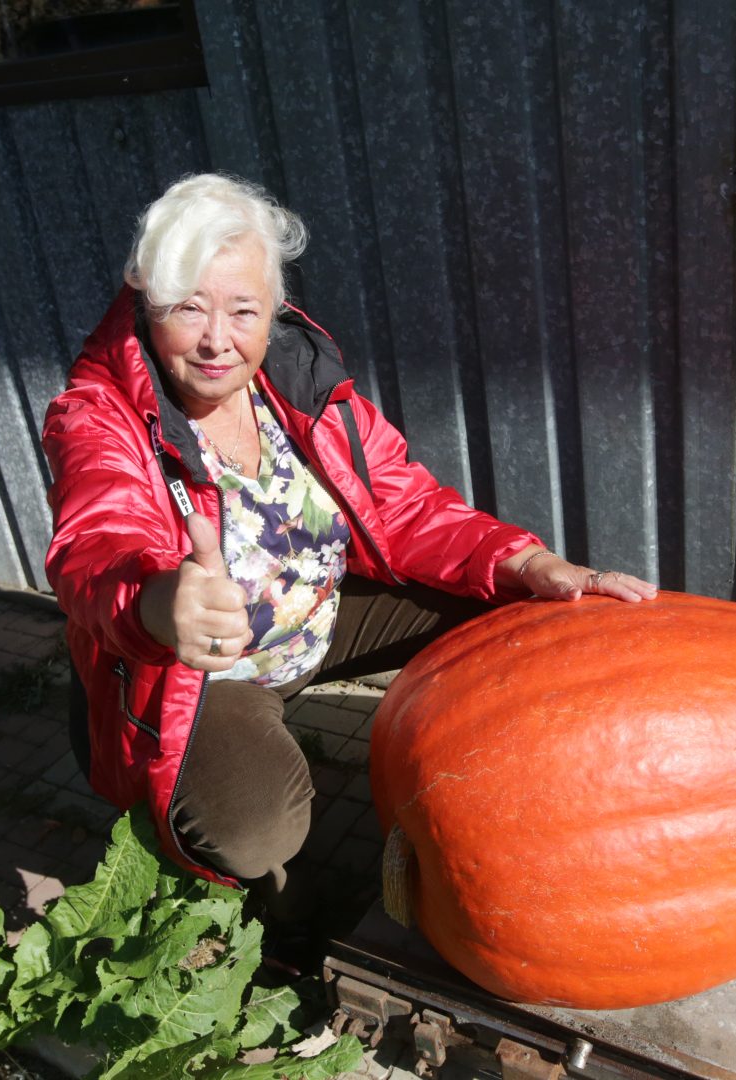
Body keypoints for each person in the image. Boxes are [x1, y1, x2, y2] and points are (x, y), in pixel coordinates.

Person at [41, 173, 655, 952]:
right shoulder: (95, 417)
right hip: (205, 675)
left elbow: (401, 502)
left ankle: (515, 808)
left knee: (517, 614)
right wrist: (160, 603)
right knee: (256, 824)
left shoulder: (296, 383)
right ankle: (286, 915)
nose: (215, 339)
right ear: (145, 300)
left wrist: (529, 562)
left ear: (273, 313)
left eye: (242, 310)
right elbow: (97, 542)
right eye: (187, 307)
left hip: (323, 617)